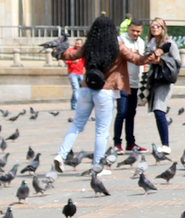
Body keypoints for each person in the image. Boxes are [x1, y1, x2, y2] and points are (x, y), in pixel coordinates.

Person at [53, 15, 163, 174]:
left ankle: (60, 155)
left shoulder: (89, 45)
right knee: (101, 131)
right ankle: (98, 166)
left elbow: (71, 55)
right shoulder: (117, 46)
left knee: (76, 125)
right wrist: (153, 56)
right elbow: (137, 59)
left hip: (85, 89)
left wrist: (58, 52)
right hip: (105, 91)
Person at [144, 18, 180, 155]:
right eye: (152, 26)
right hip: (154, 81)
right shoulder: (151, 43)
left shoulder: (170, 44)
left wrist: (161, 61)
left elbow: (177, 62)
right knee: (157, 111)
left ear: (163, 28)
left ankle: (166, 145)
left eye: (157, 26)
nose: (154, 28)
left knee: (159, 110)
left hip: (165, 81)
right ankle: (164, 144)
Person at [115, 19, 146, 152]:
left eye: (138, 31)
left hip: (135, 82)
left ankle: (131, 143)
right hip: (122, 82)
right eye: (133, 30)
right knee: (121, 113)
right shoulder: (120, 40)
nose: (135, 33)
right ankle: (117, 143)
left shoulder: (141, 42)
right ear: (128, 28)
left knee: (131, 113)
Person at [65, 39, 85, 110]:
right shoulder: (71, 51)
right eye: (76, 43)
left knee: (83, 89)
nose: (77, 45)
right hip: (72, 72)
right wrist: (72, 61)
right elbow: (66, 61)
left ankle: (73, 102)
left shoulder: (83, 52)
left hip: (81, 73)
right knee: (76, 88)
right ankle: (79, 104)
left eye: (79, 44)